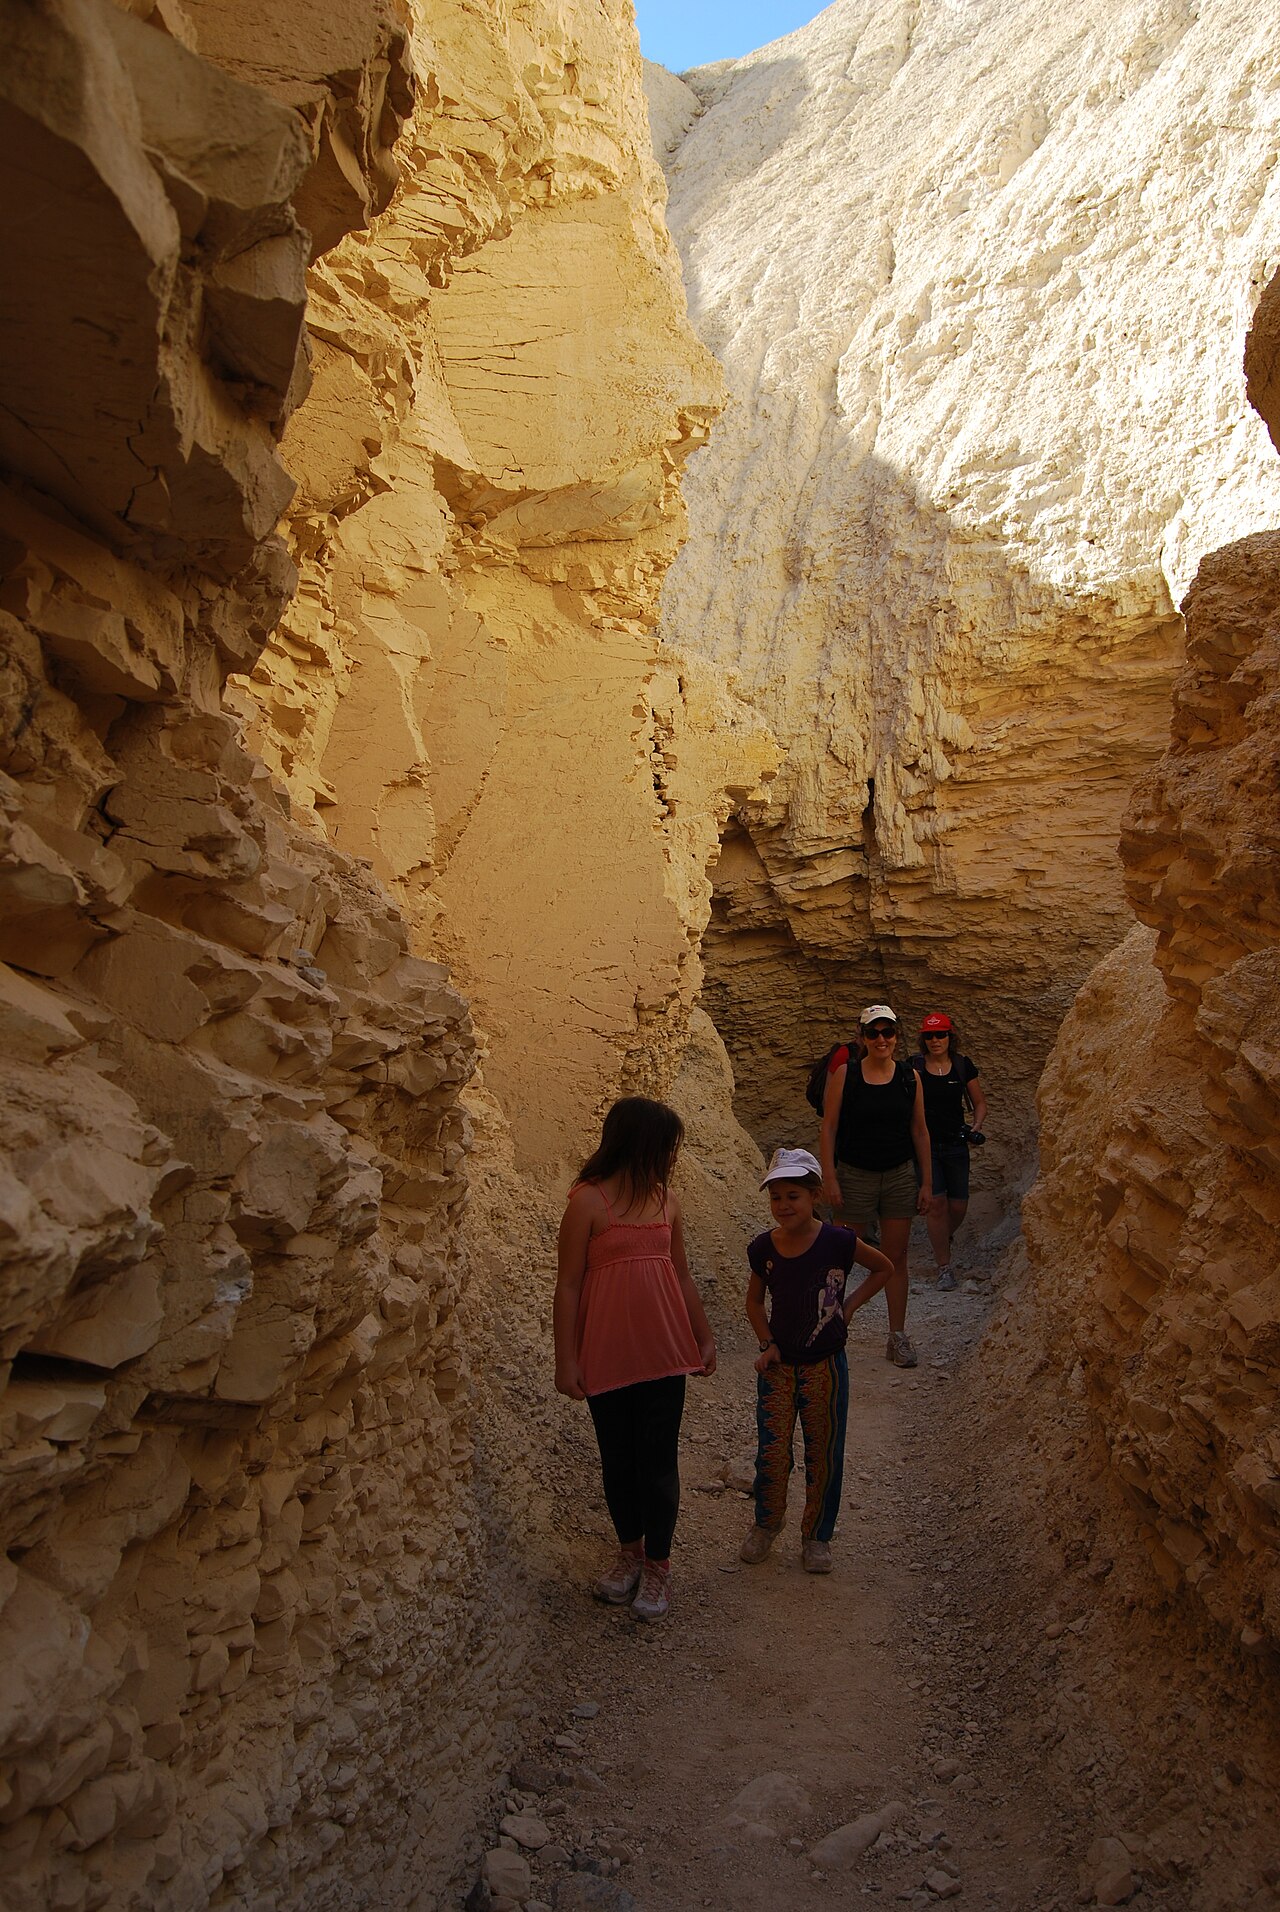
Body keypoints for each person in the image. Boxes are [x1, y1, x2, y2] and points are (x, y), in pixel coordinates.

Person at [553, 1096, 716, 1622]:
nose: (671, 1157)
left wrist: (704, 1336)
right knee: (618, 1461)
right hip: (607, 1355)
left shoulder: (667, 1203)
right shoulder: (587, 1202)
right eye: (666, 1146)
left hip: (664, 1354)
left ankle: (659, 1565)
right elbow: (569, 1286)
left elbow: (682, 1275)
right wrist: (566, 1360)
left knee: (659, 1461)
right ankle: (630, 1554)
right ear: (640, 1143)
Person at [740, 1148, 893, 1573]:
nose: (784, 1206)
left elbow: (882, 1268)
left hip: (825, 1364)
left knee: (824, 1450)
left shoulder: (839, 1241)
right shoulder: (762, 1249)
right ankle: (766, 1525)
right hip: (779, 1367)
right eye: (776, 1198)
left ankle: (816, 1536)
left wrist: (850, 1307)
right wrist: (766, 1342)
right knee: (772, 1451)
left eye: (794, 1195)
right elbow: (754, 1302)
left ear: (815, 1196)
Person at [817, 1003, 937, 1369]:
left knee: (896, 1258)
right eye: (873, 1032)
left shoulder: (909, 1078)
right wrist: (830, 1177)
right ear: (862, 1038)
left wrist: (927, 1182)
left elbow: (919, 1130)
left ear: (897, 1037)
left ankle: (896, 1335)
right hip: (854, 1174)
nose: (881, 1039)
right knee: (840, 1256)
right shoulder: (846, 1075)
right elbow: (830, 1128)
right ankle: (825, 1328)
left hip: (899, 1174)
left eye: (888, 1032)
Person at [910, 1011, 988, 1291]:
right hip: (926, 1146)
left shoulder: (961, 1065)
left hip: (956, 1144)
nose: (935, 1040)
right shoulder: (915, 1067)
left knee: (958, 1206)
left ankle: (942, 1238)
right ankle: (944, 1267)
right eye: (929, 1036)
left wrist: (975, 1126)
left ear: (949, 1037)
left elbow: (979, 1102)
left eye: (940, 1034)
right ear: (923, 1039)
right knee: (937, 1205)